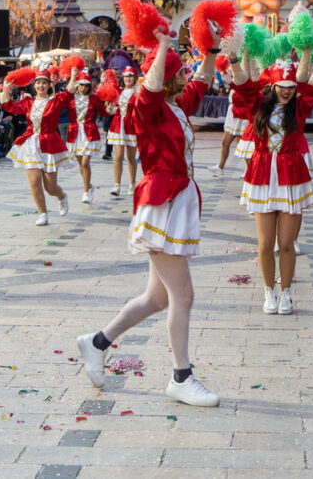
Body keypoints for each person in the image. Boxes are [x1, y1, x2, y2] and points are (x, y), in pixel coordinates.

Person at [77, 29, 220, 407]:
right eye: (181, 71)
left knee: (157, 298)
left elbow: (203, 81)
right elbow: (152, 85)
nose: (188, 76)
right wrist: (163, 47)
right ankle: (181, 377)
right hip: (161, 202)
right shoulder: (146, 103)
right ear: (169, 74)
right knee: (183, 295)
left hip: (176, 201)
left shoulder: (174, 106)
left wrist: (214, 49)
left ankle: (97, 343)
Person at [230, 50, 313, 316]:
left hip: (291, 177)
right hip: (262, 176)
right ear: (272, 86)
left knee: (286, 243)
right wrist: (233, 58)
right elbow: (242, 84)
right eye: (282, 87)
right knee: (265, 244)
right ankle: (268, 291)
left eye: (291, 87)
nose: (286, 91)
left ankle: (285, 293)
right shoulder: (258, 106)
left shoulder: (300, 107)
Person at [1, 65, 73, 226]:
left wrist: (73, 75)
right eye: (38, 82)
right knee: (34, 182)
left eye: (44, 83)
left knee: (50, 186)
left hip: (49, 143)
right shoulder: (28, 102)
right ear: (34, 85)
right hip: (31, 144)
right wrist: (6, 85)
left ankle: (62, 196)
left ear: (49, 85)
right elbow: (9, 107)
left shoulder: (55, 100)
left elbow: (69, 94)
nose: (41, 86)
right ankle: (42, 213)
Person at [64, 70, 107, 203]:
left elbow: (103, 113)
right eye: (81, 85)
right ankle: (88, 185)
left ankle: (86, 192)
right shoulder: (70, 98)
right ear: (77, 85)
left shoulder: (94, 98)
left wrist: (110, 107)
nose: (83, 88)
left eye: (86, 85)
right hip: (74, 133)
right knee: (81, 165)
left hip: (89, 132)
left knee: (85, 162)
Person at [106, 67, 139, 197]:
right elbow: (110, 109)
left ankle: (132, 184)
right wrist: (110, 107)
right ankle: (117, 185)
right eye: (126, 76)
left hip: (131, 126)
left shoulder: (138, 92)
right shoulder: (117, 92)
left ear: (135, 78)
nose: (128, 79)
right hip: (117, 126)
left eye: (131, 76)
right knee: (118, 156)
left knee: (131, 157)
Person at [207, 87, 249, 178]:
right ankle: (220, 167)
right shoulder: (234, 80)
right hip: (233, 113)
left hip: (242, 115)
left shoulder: (246, 81)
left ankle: (249, 169)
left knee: (242, 146)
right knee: (225, 143)